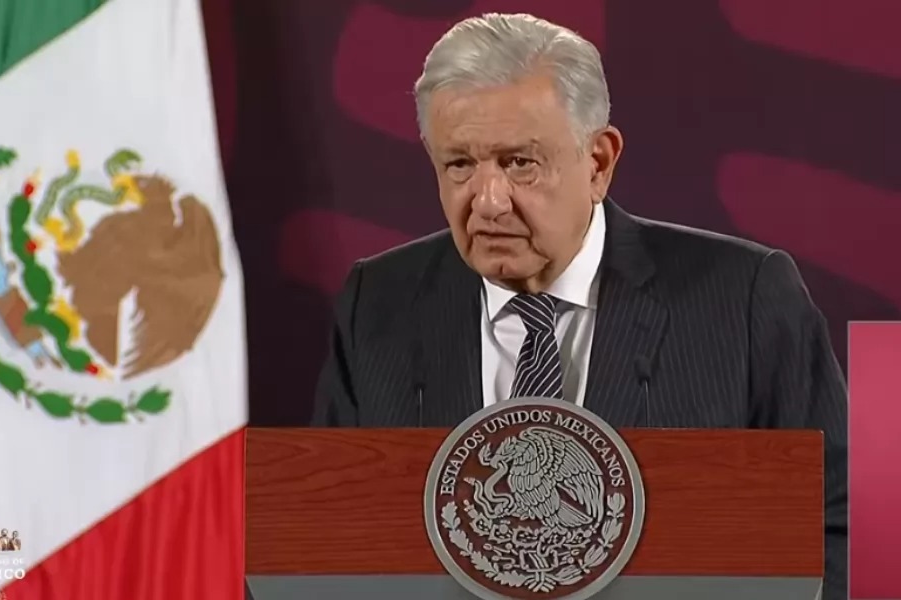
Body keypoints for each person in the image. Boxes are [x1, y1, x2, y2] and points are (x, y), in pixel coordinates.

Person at [312, 13, 846, 599]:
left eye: (519, 162)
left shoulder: (741, 297)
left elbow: (839, 524)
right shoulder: (378, 303)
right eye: (459, 164)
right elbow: (327, 535)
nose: (487, 202)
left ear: (598, 162)